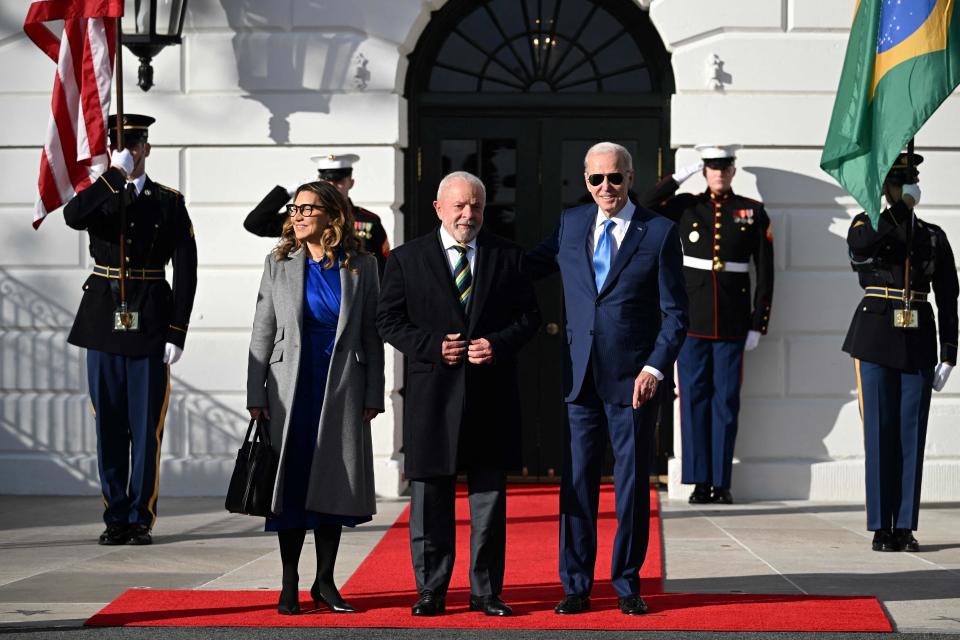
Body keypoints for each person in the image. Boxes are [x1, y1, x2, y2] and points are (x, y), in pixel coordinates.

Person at [526, 142, 688, 616]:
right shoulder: (571, 223)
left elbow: (676, 314)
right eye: (596, 179)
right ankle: (575, 585)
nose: (605, 188)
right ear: (585, 181)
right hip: (580, 379)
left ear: (630, 177)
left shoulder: (658, 233)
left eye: (614, 178)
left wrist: (655, 367)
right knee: (576, 484)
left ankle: (626, 583)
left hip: (635, 383)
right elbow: (524, 269)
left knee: (632, 486)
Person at [376, 171, 540, 618]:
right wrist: (431, 346)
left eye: (477, 206)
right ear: (438, 208)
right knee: (431, 501)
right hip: (433, 396)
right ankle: (431, 589)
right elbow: (388, 320)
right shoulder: (407, 259)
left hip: (491, 396)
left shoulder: (509, 256)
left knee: (488, 502)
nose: (469, 215)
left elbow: (529, 318)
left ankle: (486, 591)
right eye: (460, 206)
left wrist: (498, 343)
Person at [246, 181, 385, 615]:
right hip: (290, 385)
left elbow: (372, 334)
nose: (298, 215)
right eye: (295, 208)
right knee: (292, 481)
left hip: (342, 381)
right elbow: (262, 329)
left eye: (308, 208)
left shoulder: (361, 264)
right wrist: (256, 392)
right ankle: (289, 582)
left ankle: (325, 581)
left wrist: (374, 391)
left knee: (332, 482)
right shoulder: (279, 261)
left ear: (332, 215)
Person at [63, 113, 197, 547]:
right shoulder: (101, 193)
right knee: (109, 425)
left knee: (145, 427)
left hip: (151, 321)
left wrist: (177, 329)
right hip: (103, 320)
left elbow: (187, 269)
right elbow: (72, 216)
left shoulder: (169, 200)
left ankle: (141, 516)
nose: (129, 153)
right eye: (120, 147)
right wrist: (113, 175)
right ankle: (115, 515)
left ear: (147, 148)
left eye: (134, 146)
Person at [639, 144, 774, 505]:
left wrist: (758, 323)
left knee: (725, 402)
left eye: (723, 168)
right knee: (693, 400)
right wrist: (678, 175)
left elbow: (766, 271)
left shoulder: (752, 211)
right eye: (711, 168)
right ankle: (699, 479)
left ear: (732, 171)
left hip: (732, 321)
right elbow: (646, 204)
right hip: (693, 319)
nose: (718, 174)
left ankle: (721, 481)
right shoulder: (686, 206)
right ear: (704, 172)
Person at [842, 152, 957, 552]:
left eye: (909, 184)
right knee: (879, 432)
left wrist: (949, 352)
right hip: (874, 336)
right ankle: (880, 525)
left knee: (911, 434)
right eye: (898, 184)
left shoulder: (932, 236)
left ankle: (905, 525)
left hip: (918, 338)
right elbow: (861, 247)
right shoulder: (867, 223)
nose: (905, 190)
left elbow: (948, 296)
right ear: (886, 189)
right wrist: (896, 212)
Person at [243, 153, 390, 276]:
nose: (332, 185)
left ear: (350, 183)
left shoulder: (368, 220)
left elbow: (383, 266)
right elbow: (254, 223)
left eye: (338, 180)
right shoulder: (304, 217)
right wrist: (291, 190)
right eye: (326, 180)